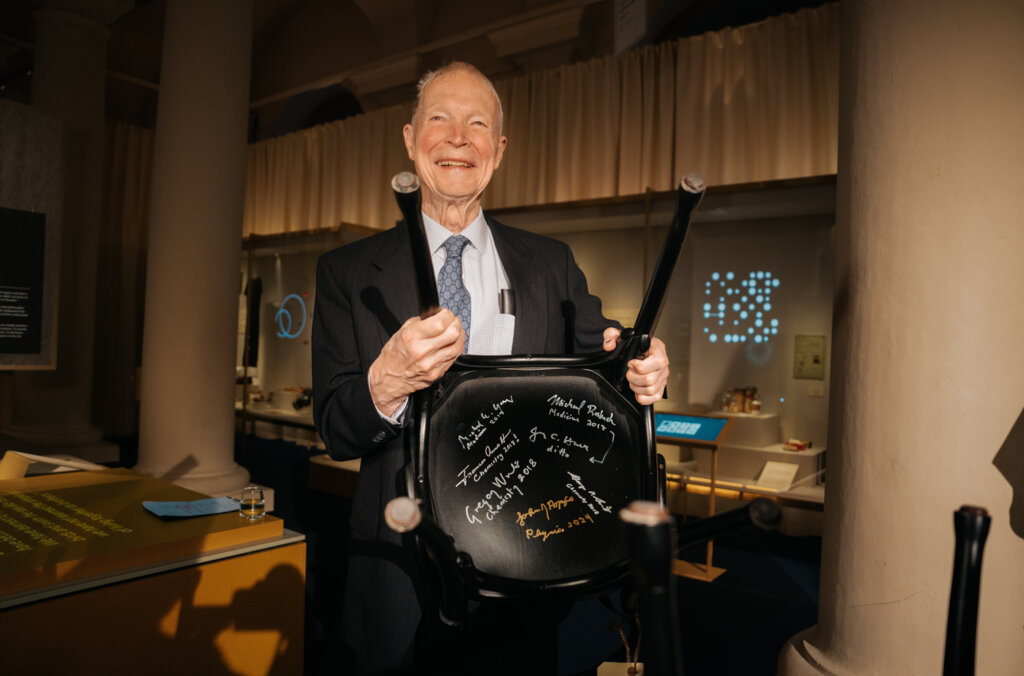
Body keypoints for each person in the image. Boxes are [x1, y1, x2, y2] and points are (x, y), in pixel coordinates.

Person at [312, 62, 670, 674]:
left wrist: (645, 365)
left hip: (525, 567)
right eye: (440, 120)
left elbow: (612, 359)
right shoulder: (347, 272)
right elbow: (336, 430)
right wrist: (390, 377)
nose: (458, 138)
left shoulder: (550, 264)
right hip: (396, 571)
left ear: (498, 151)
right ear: (409, 138)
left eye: (477, 124)